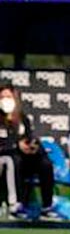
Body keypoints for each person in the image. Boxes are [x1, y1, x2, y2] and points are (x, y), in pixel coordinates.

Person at [0, 81, 55, 219]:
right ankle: (15, 205)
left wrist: (33, 146)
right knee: (14, 160)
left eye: (8, 97)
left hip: (26, 158)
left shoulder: (22, 119)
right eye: (2, 97)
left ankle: (47, 206)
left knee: (45, 164)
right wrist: (16, 146)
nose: (6, 100)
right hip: (8, 158)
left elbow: (29, 137)